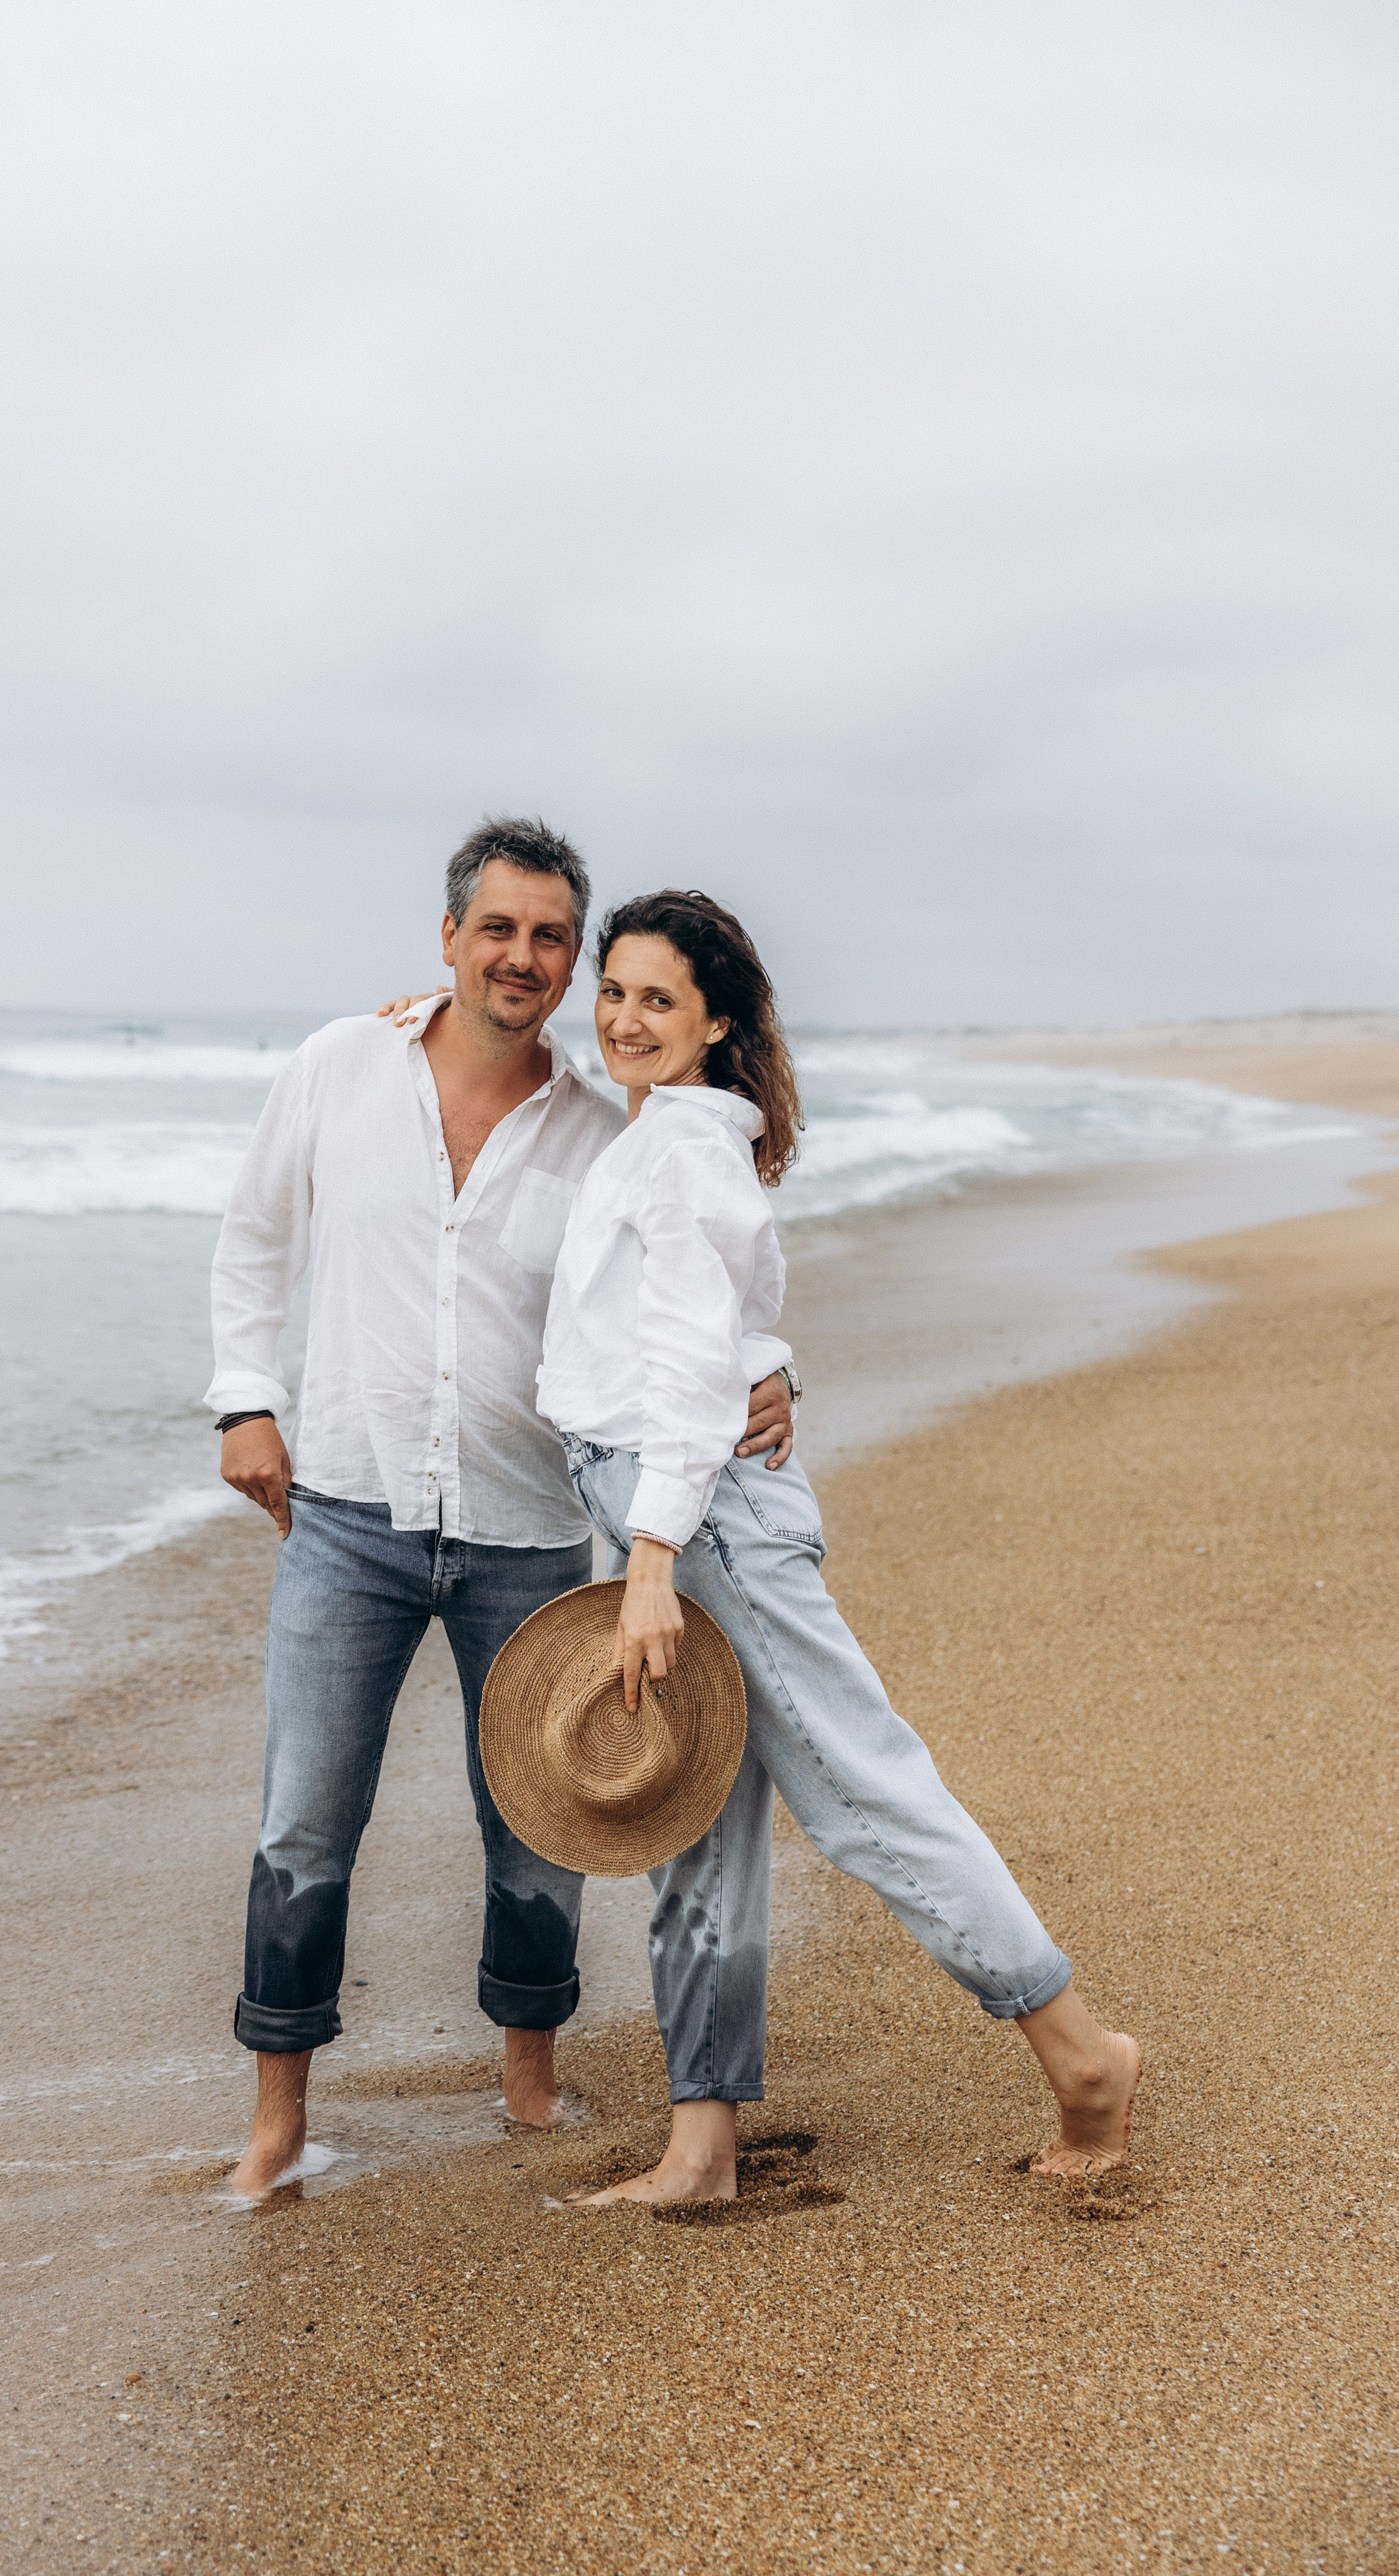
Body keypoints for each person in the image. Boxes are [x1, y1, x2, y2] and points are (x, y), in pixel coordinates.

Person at [207, 822, 795, 2203]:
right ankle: (277, 2120)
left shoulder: (606, 1128)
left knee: (535, 1814)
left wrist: (769, 1372)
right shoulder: (335, 1069)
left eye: (549, 939)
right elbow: (252, 1237)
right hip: (344, 1514)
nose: (522, 958)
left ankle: (528, 2081)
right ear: (448, 937)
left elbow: (696, 1280)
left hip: (527, 1526)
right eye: (498, 930)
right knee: (304, 1819)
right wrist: (245, 1400)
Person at [532, 888, 1143, 2204]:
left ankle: (1082, 2059)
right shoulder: (660, 1134)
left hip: (694, 1522)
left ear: (713, 1026)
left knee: (866, 1797)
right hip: (673, 1508)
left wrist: (647, 1561)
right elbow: (713, 1334)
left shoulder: (686, 1154)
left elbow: (696, 1366)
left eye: (658, 1000)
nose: (625, 1020)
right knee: (698, 1817)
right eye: (616, 991)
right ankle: (699, 2146)